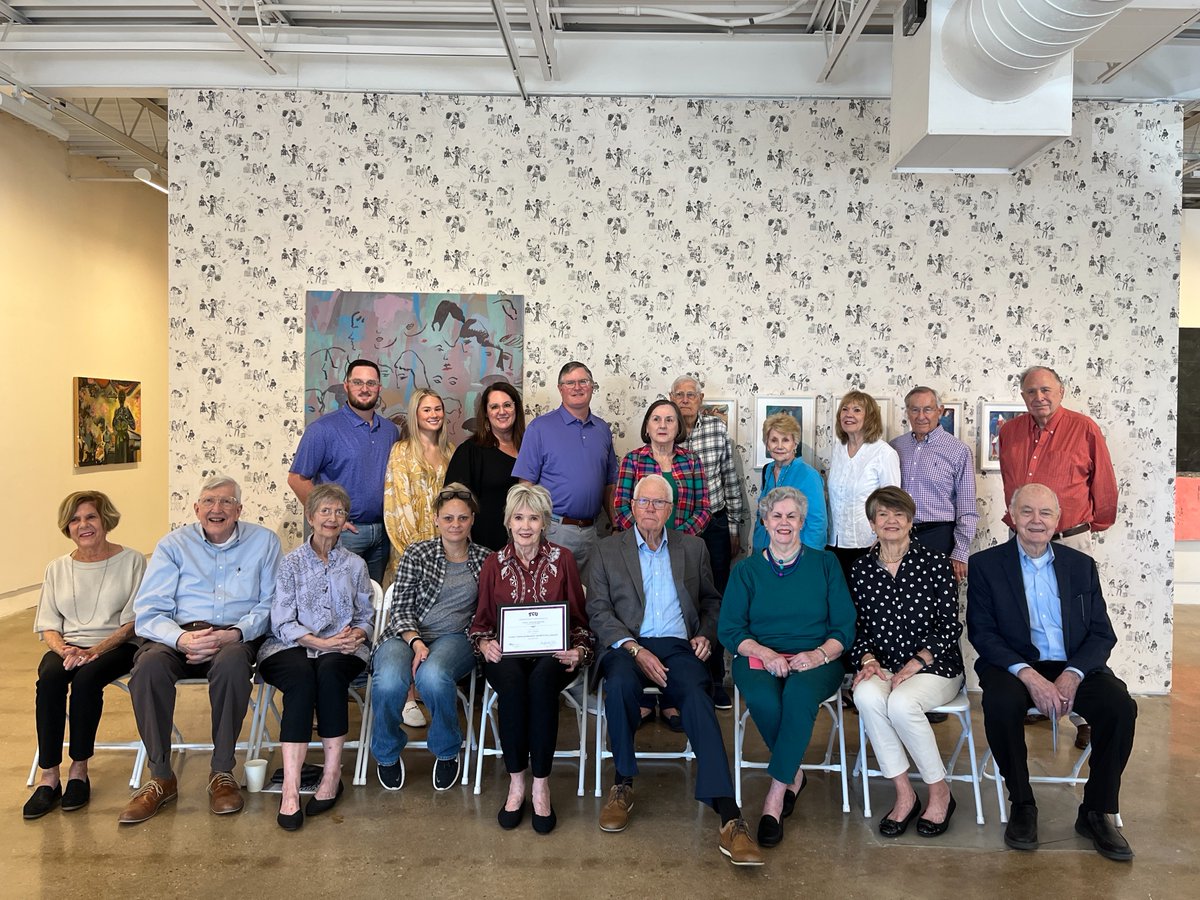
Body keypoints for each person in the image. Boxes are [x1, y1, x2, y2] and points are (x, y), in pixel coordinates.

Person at [587, 474, 762, 866]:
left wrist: (705, 634)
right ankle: (623, 783)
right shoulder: (606, 550)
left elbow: (711, 601)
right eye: (643, 502)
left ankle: (728, 815)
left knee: (697, 700)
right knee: (618, 686)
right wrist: (633, 649)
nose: (650, 509)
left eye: (659, 503)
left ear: (671, 510)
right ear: (631, 506)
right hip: (627, 644)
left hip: (679, 647)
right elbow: (598, 610)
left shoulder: (693, 547)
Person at [967, 483, 1137, 861]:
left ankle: (1096, 810)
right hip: (1013, 665)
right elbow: (983, 632)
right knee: (999, 703)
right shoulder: (986, 565)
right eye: (1027, 511)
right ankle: (1023, 804)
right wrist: (1029, 675)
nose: (1036, 521)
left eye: (1045, 513)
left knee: (1119, 706)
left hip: (1073, 664)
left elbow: (1101, 633)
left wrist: (1073, 673)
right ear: (1012, 516)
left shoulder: (1080, 566)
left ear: (1058, 520)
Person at [118, 475, 281, 825]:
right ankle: (161, 776)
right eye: (209, 501)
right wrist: (182, 639)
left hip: (233, 637)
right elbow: (148, 611)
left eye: (225, 502)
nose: (216, 509)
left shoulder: (264, 542)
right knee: (147, 669)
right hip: (179, 635)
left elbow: (271, 604)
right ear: (196, 508)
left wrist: (234, 633)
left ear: (239, 509)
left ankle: (222, 772)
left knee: (234, 666)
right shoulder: (173, 545)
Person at [720, 486, 855, 850]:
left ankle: (775, 798)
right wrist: (766, 654)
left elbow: (844, 627)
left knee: (797, 696)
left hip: (817, 657)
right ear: (765, 522)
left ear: (802, 522)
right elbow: (730, 629)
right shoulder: (747, 570)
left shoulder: (825, 564)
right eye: (776, 516)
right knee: (763, 700)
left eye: (791, 516)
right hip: (759, 656)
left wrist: (818, 655)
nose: (783, 523)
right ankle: (795, 772)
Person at [470, 484, 592, 834]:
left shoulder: (563, 559)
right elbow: (480, 623)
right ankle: (516, 782)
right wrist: (485, 645)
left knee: (540, 683)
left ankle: (541, 783)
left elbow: (581, 622)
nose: (526, 526)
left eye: (533, 518)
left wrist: (579, 650)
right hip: (506, 654)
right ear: (508, 521)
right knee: (511, 681)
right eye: (519, 517)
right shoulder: (493, 563)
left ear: (544, 522)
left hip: (554, 654)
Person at [848, 487, 964, 838]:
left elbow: (949, 625)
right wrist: (867, 659)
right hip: (883, 664)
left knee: (901, 702)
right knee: (866, 696)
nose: (891, 520)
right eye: (882, 514)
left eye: (898, 514)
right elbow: (855, 627)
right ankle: (904, 793)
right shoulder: (860, 570)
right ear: (872, 523)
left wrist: (916, 662)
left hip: (935, 666)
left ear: (911, 521)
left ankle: (940, 792)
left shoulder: (935, 563)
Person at [257, 483, 374, 831]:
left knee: (330, 672)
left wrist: (357, 634)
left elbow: (366, 613)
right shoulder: (290, 563)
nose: (332, 518)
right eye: (325, 511)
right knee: (302, 677)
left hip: (344, 648)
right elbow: (281, 622)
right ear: (310, 517)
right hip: (290, 646)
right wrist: (321, 644)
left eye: (339, 512)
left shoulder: (355, 564)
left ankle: (331, 773)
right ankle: (291, 789)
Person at [24, 491, 146, 819]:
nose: (83, 525)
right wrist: (63, 649)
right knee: (49, 678)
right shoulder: (57, 568)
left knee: (87, 680)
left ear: (105, 520)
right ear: (68, 527)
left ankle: (79, 770)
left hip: (117, 645)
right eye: (75, 520)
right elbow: (48, 624)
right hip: (67, 645)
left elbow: (134, 623)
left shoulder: (132, 561)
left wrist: (94, 651)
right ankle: (49, 777)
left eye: (90, 517)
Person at [371, 484, 490, 792]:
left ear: (472, 520)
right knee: (388, 681)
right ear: (436, 519)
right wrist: (415, 641)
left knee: (434, 677)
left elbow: (487, 613)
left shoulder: (486, 559)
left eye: (462, 518)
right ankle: (386, 751)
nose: (455, 525)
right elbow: (400, 607)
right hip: (405, 634)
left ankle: (447, 749)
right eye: (448, 518)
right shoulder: (417, 553)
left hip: (456, 638)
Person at [670, 375, 747, 709]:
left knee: (713, 600)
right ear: (670, 397)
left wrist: (733, 529)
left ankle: (715, 679)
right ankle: (678, 679)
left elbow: (730, 480)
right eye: (679, 395)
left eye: (691, 395)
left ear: (700, 399)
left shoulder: (715, 430)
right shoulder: (664, 426)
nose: (685, 400)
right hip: (672, 531)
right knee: (675, 601)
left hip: (712, 525)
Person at [288, 358, 400, 584]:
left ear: (379, 388)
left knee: (370, 601)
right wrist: (332, 518)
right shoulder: (323, 429)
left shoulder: (390, 431)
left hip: (383, 533)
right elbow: (297, 479)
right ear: (346, 385)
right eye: (358, 382)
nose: (365, 389)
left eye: (371, 383)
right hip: (343, 532)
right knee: (336, 598)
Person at [384, 387, 455, 727]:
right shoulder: (400, 452)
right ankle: (408, 696)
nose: (433, 414)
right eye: (426, 409)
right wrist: (419, 553)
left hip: (448, 552)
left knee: (440, 622)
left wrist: (449, 550)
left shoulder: (451, 452)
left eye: (438, 408)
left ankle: (431, 687)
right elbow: (396, 505)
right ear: (415, 414)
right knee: (409, 621)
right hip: (411, 553)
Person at [512, 361, 618, 576]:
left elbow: (610, 484)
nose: (577, 387)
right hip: (554, 530)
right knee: (553, 596)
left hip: (593, 531)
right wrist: (528, 529)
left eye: (583, 381)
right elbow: (525, 485)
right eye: (570, 383)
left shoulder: (602, 429)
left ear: (592, 386)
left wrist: (615, 526)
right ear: (560, 389)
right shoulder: (540, 428)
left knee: (590, 599)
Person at [998, 366, 1118, 554]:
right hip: (1020, 540)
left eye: (1045, 390)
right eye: (1031, 391)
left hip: (1068, 541)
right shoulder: (1009, 431)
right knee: (1016, 585)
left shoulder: (1085, 428)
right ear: (1023, 397)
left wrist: (1081, 529)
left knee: (1073, 585)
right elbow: (1008, 481)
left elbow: (1104, 485)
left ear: (1061, 392)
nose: (1039, 397)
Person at [890, 386, 978, 581]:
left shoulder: (958, 450)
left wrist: (960, 552)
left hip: (939, 537)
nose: (921, 416)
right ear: (907, 412)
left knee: (937, 602)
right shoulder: (895, 447)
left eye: (927, 409)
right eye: (915, 409)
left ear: (940, 411)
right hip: (898, 535)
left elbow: (967, 507)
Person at [826, 390, 901, 583]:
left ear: (870, 418)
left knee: (865, 608)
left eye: (857, 410)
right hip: (834, 543)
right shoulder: (837, 449)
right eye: (845, 409)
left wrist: (885, 539)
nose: (848, 414)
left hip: (869, 544)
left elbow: (893, 502)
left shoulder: (884, 453)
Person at [444, 381, 525, 551]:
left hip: (526, 542)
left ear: (516, 408)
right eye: (494, 407)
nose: (502, 412)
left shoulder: (531, 447)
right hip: (486, 544)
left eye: (507, 405)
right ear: (486, 413)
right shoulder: (471, 451)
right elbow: (454, 500)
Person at [614, 398, 710, 535]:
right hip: (641, 547)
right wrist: (647, 537)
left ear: (678, 427)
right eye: (656, 419)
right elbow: (621, 507)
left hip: (683, 544)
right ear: (647, 427)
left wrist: (678, 538)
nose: (663, 425)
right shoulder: (632, 460)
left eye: (669, 420)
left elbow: (703, 509)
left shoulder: (692, 461)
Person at [751, 412, 826, 553]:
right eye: (774, 440)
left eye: (785, 440)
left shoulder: (809, 475)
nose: (779, 446)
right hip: (764, 552)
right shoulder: (768, 470)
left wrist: (809, 559)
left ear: (795, 444)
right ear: (767, 444)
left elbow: (817, 524)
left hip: (795, 556)